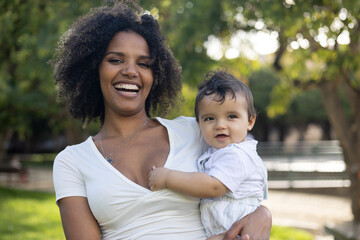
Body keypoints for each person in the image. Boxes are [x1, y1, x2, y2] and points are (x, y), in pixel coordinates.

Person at [51, 1, 271, 239]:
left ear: (156, 75)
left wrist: (263, 215)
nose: (131, 71)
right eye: (116, 60)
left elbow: (245, 176)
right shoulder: (72, 162)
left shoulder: (197, 130)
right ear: (93, 68)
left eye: (144, 64)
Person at [149, 70, 268, 239]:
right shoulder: (217, 151)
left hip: (237, 231)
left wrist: (167, 177)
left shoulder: (237, 155)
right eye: (210, 119)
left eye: (231, 116)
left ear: (250, 121)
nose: (220, 125)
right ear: (198, 124)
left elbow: (213, 186)